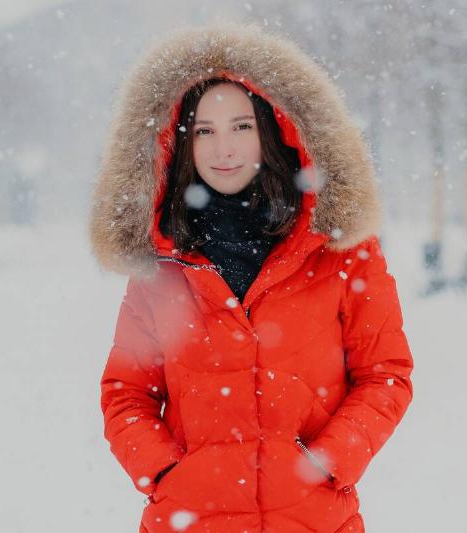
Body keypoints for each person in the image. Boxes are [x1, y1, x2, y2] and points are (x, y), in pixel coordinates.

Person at [90, 23, 414, 533]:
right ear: (180, 143)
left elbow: (385, 375)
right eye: (204, 130)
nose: (225, 148)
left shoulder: (340, 251)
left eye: (241, 126)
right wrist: (166, 471)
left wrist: (326, 462)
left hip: (313, 520)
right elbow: (126, 392)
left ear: (275, 128)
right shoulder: (164, 267)